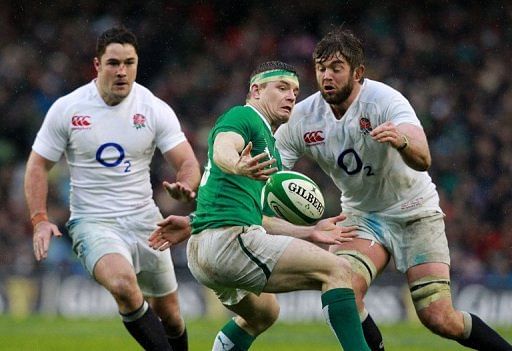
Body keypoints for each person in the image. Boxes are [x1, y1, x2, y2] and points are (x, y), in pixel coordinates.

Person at [273, 28, 512, 351]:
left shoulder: (385, 100)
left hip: (415, 212)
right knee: (340, 289)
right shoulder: (302, 118)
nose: (326, 76)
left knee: (439, 318)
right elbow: (273, 175)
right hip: (362, 215)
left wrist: (400, 141)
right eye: (320, 68)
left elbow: (423, 157)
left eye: (336, 68)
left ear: (357, 73)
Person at [152, 60, 371, 351]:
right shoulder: (245, 116)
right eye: (281, 88)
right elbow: (222, 150)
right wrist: (237, 164)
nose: (291, 96)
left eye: (294, 90)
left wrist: (310, 231)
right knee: (339, 270)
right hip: (229, 241)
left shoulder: (270, 149)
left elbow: (261, 218)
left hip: (206, 247)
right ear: (256, 90)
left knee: (264, 313)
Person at [24, 26, 200, 351]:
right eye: (113, 63)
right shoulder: (68, 108)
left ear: (137, 64)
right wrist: (39, 218)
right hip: (94, 223)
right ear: (97, 65)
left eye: (129, 63)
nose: (122, 71)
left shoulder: (153, 108)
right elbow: (37, 165)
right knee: (123, 285)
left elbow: (188, 162)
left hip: (147, 222)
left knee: (171, 315)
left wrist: (185, 185)